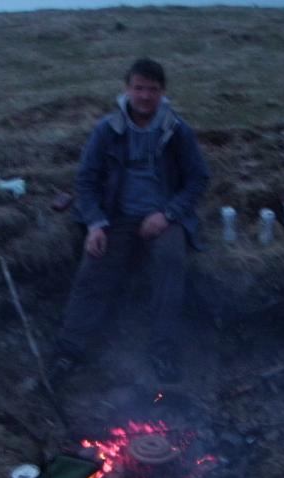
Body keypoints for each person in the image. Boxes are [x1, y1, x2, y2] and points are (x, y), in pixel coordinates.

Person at [49, 58, 209, 384]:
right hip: (117, 216)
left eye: (153, 89)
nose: (145, 96)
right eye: (139, 88)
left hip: (162, 217)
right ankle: (69, 351)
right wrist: (95, 223)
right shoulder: (107, 130)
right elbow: (86, 180)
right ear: (127, 89)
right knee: (93, 267)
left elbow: (198, 179)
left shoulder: (177, 130)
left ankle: (163, 350)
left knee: (172, 263)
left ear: (162, 92)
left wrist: (168, 214)